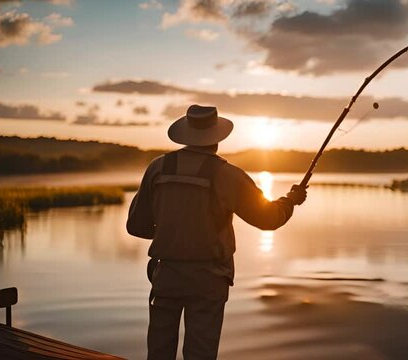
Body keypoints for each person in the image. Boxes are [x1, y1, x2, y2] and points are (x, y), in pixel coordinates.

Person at [126, 104, 307, 359]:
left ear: (186, 133)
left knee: (158, 353)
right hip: (208, 280)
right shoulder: (228, 175)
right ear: (218, 137)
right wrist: (290, 200)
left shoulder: (158, 168)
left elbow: (136, 226)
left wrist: (172, 232)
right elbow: (269, 219)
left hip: (165, 275)